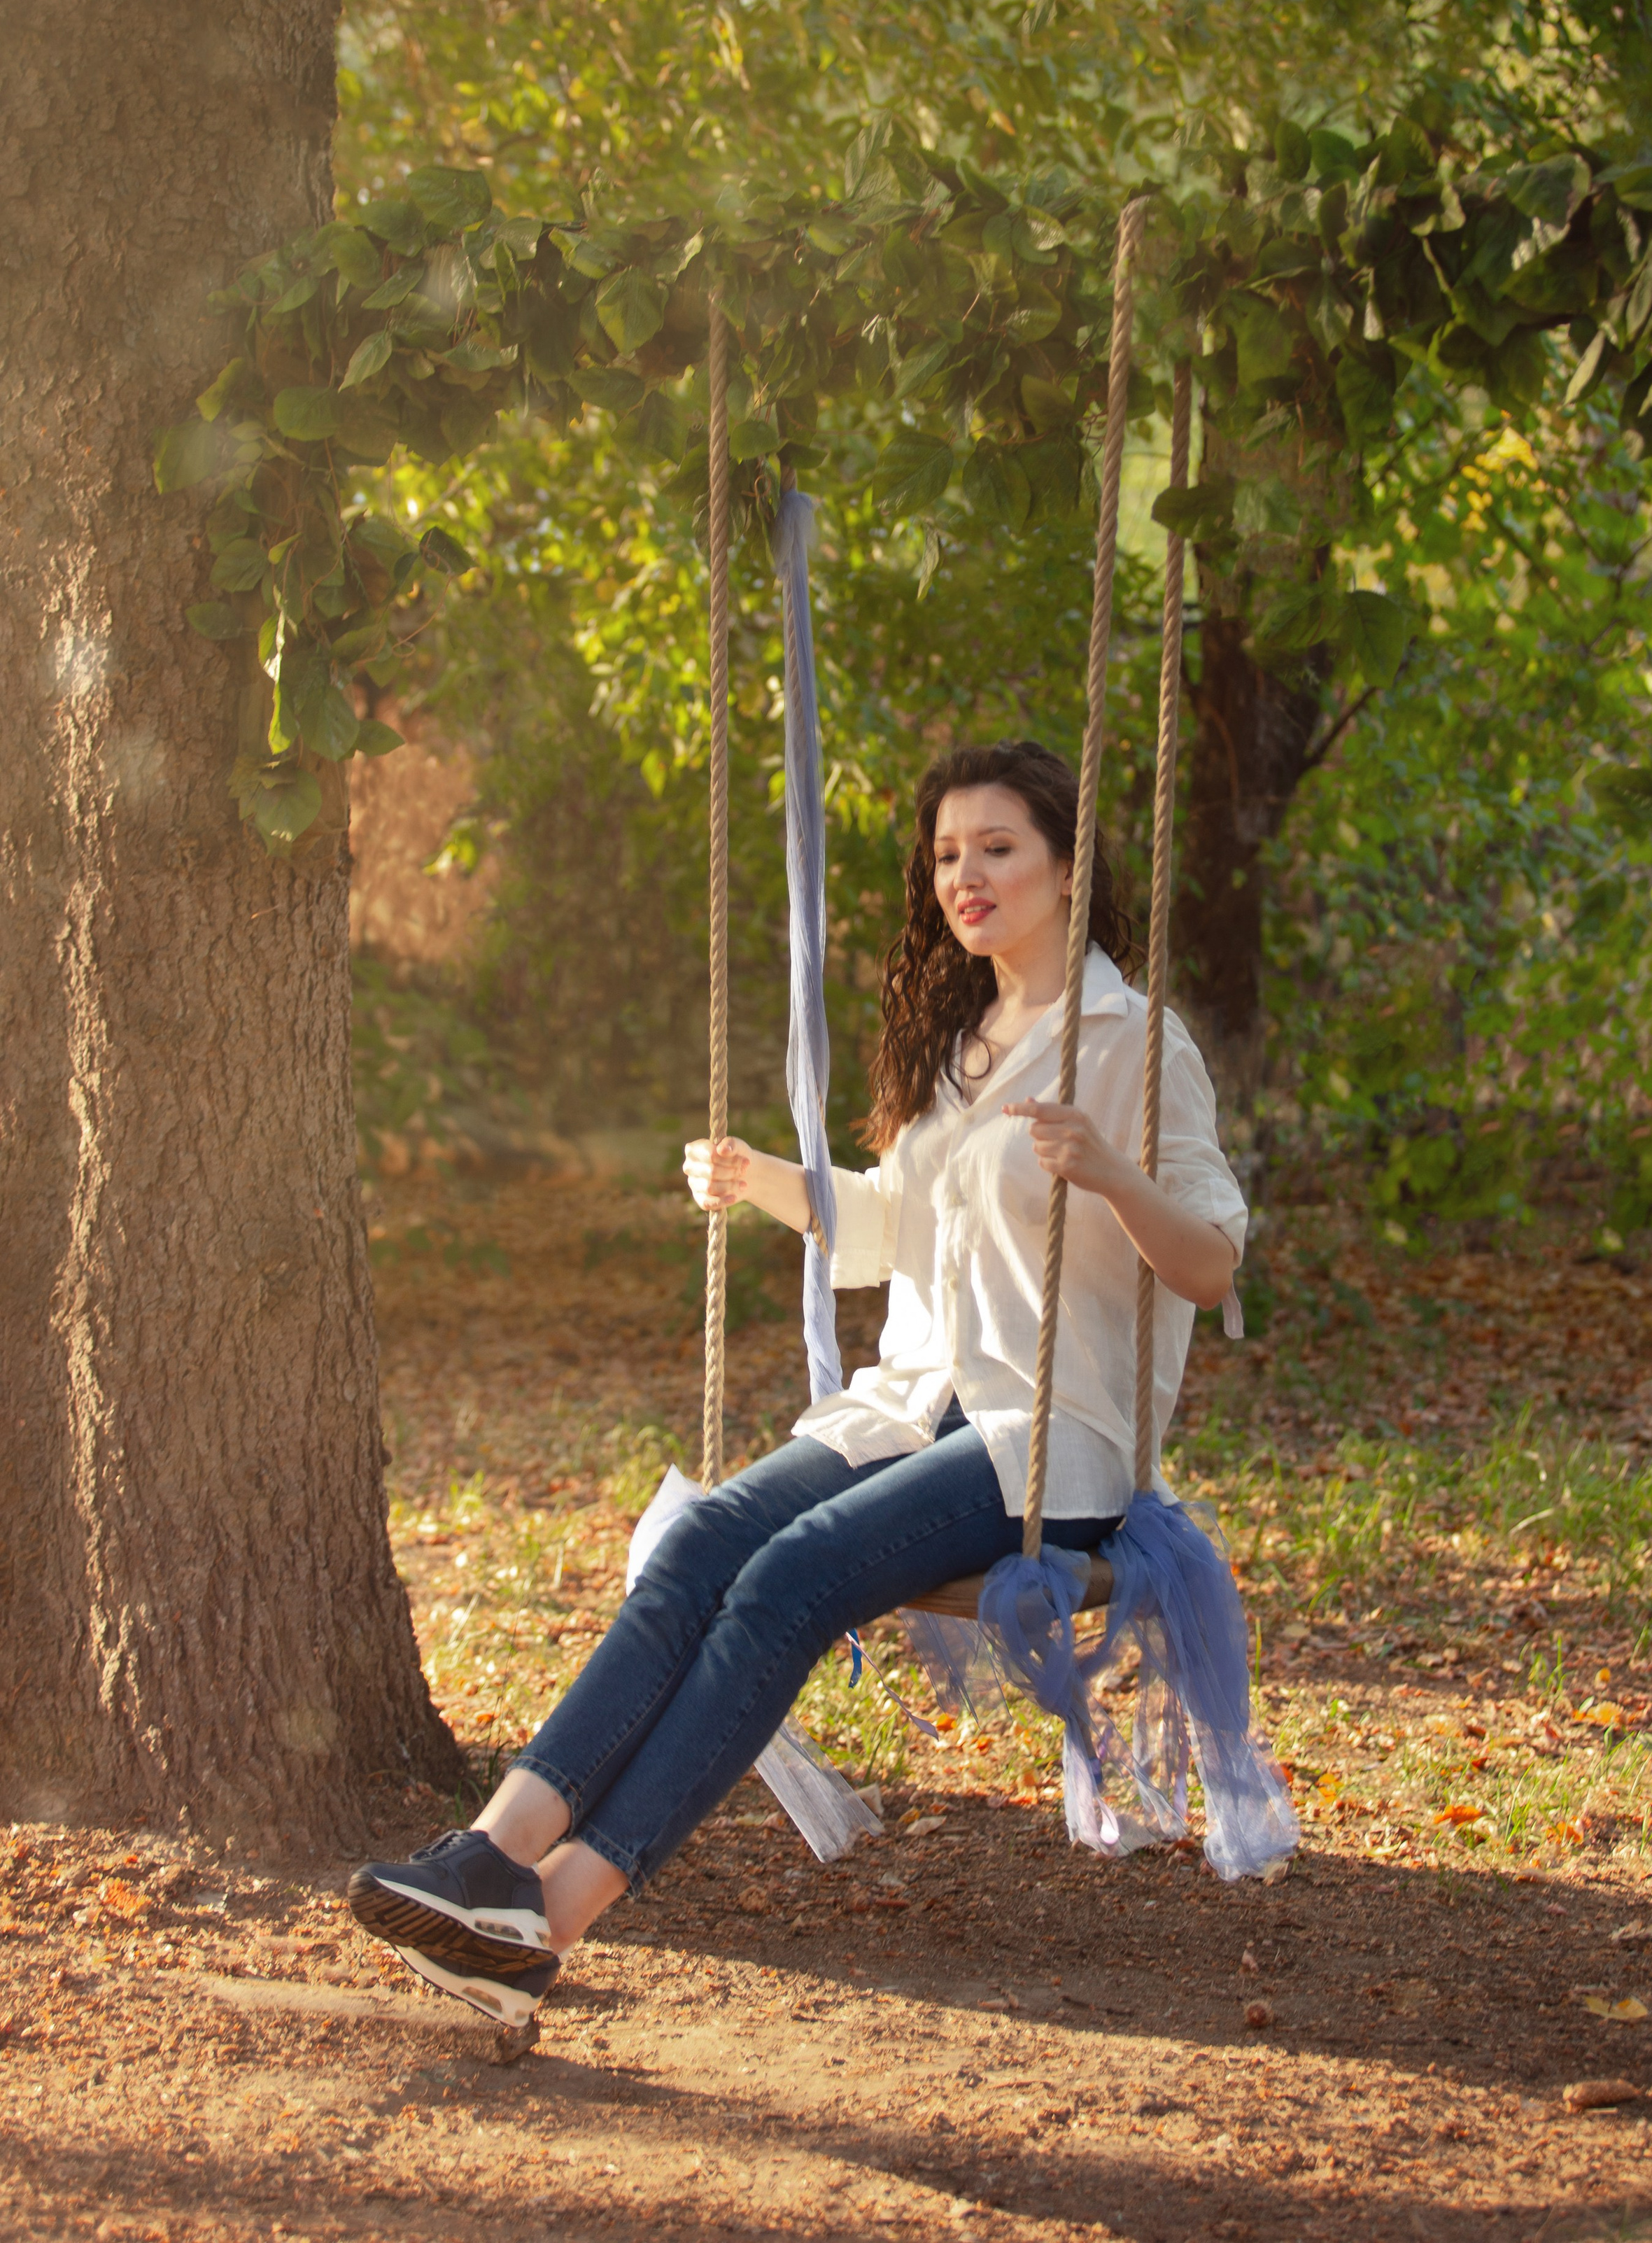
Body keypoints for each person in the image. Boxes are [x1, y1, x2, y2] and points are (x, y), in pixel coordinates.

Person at [347, 739, 1248, 2027]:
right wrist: (763, 1177)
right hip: (915, 1401)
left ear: (1067, 865)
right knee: (701, 1539)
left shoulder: (1134, 1041)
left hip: (1049, 1439)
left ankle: (551, 1916)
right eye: (948, 853)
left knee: (788, 1578)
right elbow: (896, 1228)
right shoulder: (966, 1041)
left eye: (997, 848)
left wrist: (1110, 1171)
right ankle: (489, 1856)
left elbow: (1210, 1263)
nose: (966, 875)